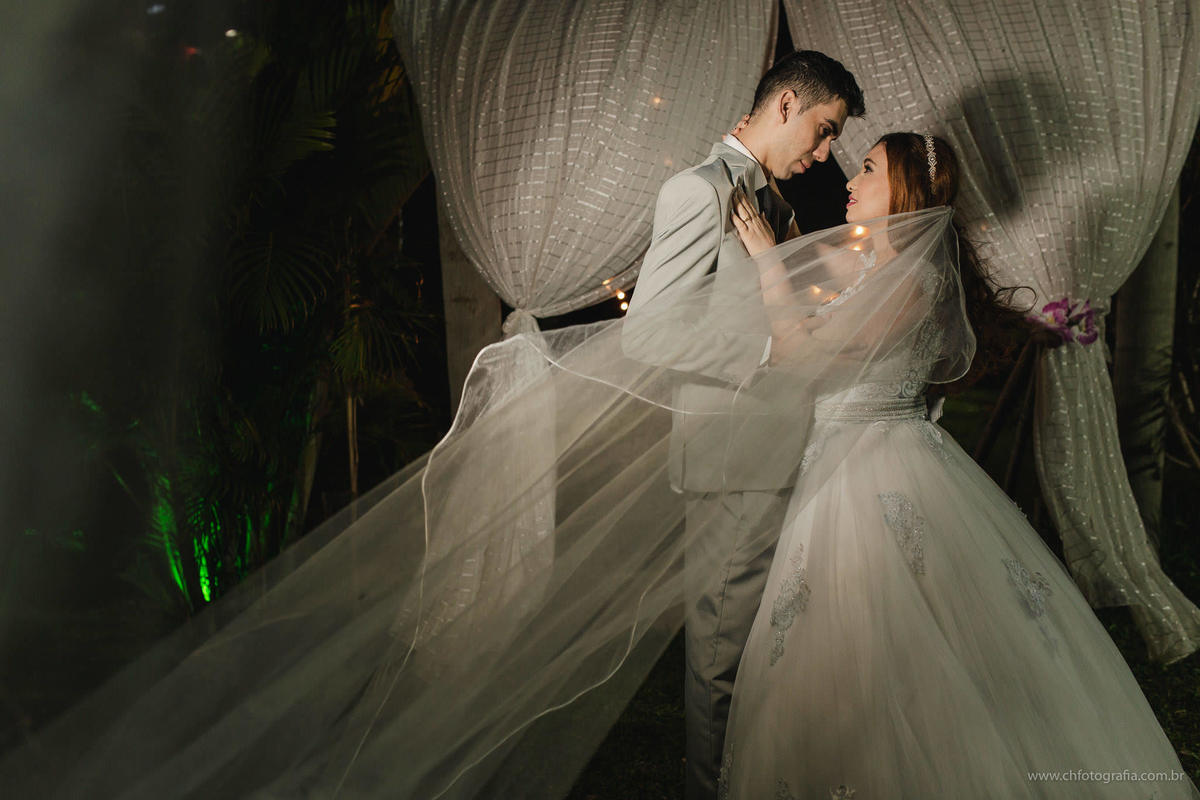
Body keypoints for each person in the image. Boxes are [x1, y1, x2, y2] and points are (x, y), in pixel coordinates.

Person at [717, 132, 1200, 798]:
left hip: (878, 472)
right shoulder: (867, 267)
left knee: (893, 645)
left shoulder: (911, 282)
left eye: (868, 169)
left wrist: (771, 264)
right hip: (835, 466)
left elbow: (804, 358)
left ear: (906, 191)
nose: (851, 180)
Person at [623, 49, 864, 800]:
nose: (826, 153)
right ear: (786, 104)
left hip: (772, 448)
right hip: (732, 456)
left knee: (758, 650)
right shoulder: (700, 192)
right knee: (721, 660)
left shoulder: (766, 196)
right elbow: (647, 335)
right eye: (824, 131)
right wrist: (774, 350)